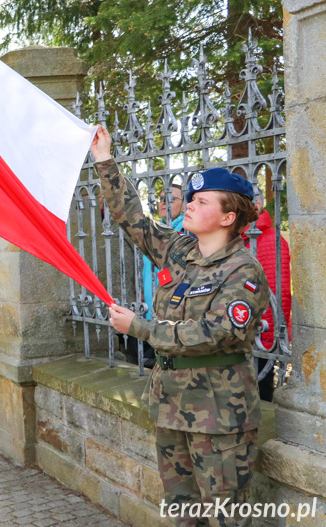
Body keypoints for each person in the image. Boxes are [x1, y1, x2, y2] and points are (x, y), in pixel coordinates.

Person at [91, 124, 269, 527]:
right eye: (191, 198)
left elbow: (218, 332)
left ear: (228, 216)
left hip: (220, 417)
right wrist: (105, 160)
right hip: (172, 408)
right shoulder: (180, 250)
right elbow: (133, 218)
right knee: (184, 516)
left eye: (202, 201)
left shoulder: (243, 270)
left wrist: (141, 328)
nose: (189, 204)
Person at [120, 183, 187, 367]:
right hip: (150, 311)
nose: (165, 202)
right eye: (162, 199)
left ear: (184, 204)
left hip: (173, 317)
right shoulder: (159, 229)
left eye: (172, 199)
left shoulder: (185, 230)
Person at [245, 184, 292, 402]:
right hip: (240, 330)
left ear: (257, 204)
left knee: (260, 390)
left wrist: (266, 335)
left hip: (260, 334)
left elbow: (278, 294)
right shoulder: (239, 238)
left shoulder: (272, 240)